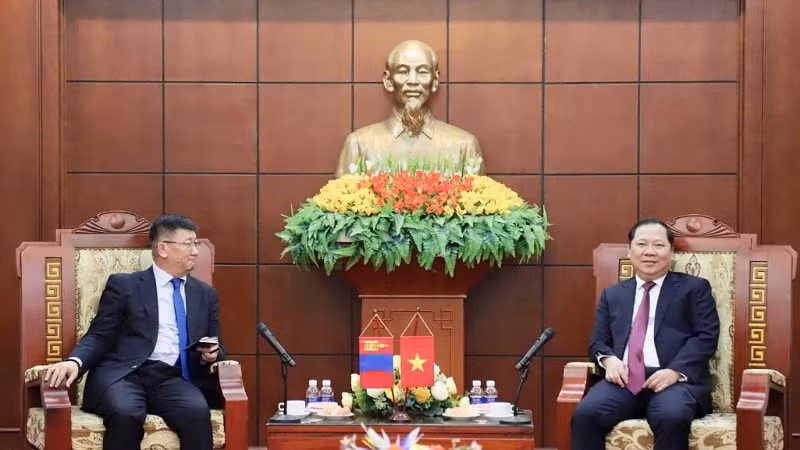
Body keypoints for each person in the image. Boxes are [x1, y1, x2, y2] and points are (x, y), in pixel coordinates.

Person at [43, 215, 224, 450]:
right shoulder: (125, 286)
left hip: (171, 377)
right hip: (124, 375)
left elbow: (217, 342)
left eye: (196, 244)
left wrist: (214, 353)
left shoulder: (205, 294)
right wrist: (75, 362)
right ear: (163, 249)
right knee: (126, 413)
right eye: (188, 243)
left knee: (197, 412)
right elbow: (100, 335)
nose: (195, 251)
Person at [571, 218, 720, 450]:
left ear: (671, 252)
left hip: (674, 383)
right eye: (642, 244)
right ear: (630, 251)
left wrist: (675, 371)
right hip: (623, 382)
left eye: (659, 245)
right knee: (585, 415)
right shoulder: (613, 295)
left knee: (671, 416)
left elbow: (706, 336)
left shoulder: (695, 288)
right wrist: (608, 360)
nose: (650, 252)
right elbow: (598, 342)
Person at [335, 40, 483, 177]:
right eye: (403, 72)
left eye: (423, 72)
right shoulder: (359, 145)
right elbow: (342, 201)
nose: (413, 81)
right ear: (388, 81)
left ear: (435, 81)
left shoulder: (464, 146)